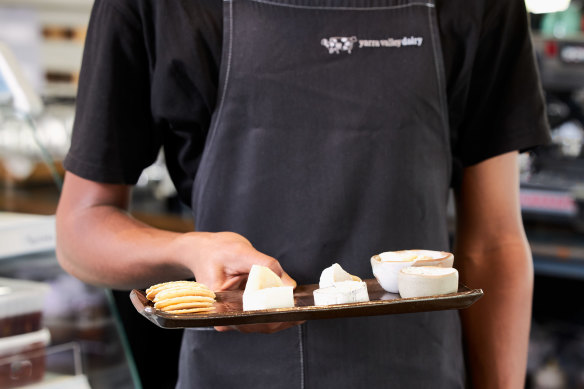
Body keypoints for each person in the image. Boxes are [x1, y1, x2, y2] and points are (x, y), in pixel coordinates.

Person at [55, 0, 551, 387]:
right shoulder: (162, 7)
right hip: (235, 378)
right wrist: (189, 249)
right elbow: (81, 229)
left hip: (417, 371)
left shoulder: (480, 6)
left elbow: (494, 243)